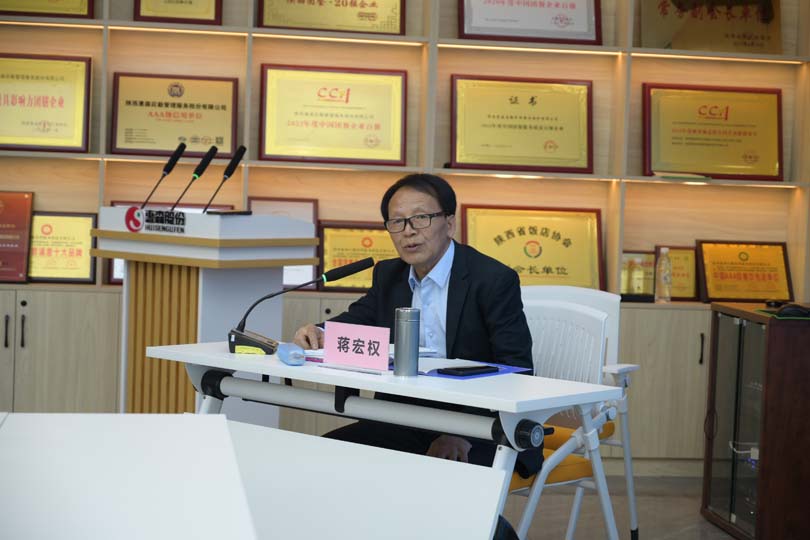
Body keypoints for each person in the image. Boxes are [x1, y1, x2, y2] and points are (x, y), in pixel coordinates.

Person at [293, 173, 540, 480]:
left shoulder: (491, 279)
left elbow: (517, 369)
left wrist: (464, 432)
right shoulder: (389, 274)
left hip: (483, 425)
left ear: (449, 223)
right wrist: (320, 332)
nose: (408, 231)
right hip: (405, 418)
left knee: (426, 478)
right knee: (323, 457)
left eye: (421, 218)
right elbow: (360, 318)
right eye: (397, 222)